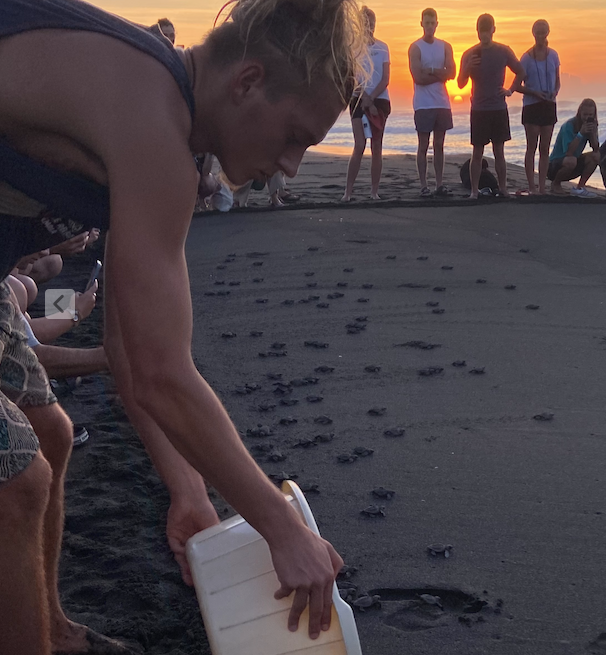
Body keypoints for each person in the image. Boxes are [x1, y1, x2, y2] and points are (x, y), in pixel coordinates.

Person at [0, 0, 367, 651]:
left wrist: (189, 489)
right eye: (293, 136)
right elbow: (160, 373)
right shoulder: (151, 114)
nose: (289, 165)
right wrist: (283, 530)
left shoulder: (163, 129)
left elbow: (129, 349)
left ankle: (48, 626)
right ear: (247, 82)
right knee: (16, 483)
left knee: (51, 430)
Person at [457, 13, 525, 199]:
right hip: (479, 109)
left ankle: (502, 188)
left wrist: (510, 90)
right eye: (481, 31)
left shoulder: (503, 51)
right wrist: (467, 67)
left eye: (487, 31)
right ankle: (474, 191)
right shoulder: (469, 53)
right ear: (477, 31)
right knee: (477, 152)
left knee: (499, 151)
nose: (484, 35)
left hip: (498, 108)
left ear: (493, 30)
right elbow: (461, 83)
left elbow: (520, 72)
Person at [342, 6, 390, 201]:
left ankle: (374, 191)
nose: (369, 26)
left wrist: (372, 99)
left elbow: (385, 78)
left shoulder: (383, 47)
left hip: (380, 99)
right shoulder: (354, 49)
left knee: (376, 146)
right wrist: (365, 99)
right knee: (359, 145)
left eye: (371, 22)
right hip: (358, 99)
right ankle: (348, 192)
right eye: (365, 22)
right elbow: (353, 78)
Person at [409, 7, 455, 197]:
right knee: (423, 145)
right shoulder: (415, 47)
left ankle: (439, 184)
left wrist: (431, 71)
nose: (429, 26)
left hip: (442, 102)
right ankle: (423, 185)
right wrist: (440, 73)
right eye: (426, 23)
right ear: (421, 24)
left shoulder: (445, 46)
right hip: (423, 103)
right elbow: (418, 78)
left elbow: (451, 73)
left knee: (439, 145)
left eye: (432, 22)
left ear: (437, 23)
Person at [512, 19, 560, 195]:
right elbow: (516, 85)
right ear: (533, 34)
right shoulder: (526, 58)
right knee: (531, 147)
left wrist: (555, 92)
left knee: (545, 149)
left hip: (549, 104)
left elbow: (557, 80)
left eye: (543, 32)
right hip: (532, 105)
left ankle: (542, 187)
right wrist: (534, 92)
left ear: (548, 33)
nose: (540, 35)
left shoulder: (554, 55)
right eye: (537, 32)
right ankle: (532, 187)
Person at [547, 98, 601, 197]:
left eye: (590, 115)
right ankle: (555, 183)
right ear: (579, 113)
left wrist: (592, 133)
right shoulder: (569, 125)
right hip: (555, 165)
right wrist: (580, 134)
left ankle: (579, 188)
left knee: (596, 156)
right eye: (585, 114)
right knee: (571, 160)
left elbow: (596, 148)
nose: (587, 117)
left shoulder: (591, 124)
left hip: (573, 163)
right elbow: (568, 152)